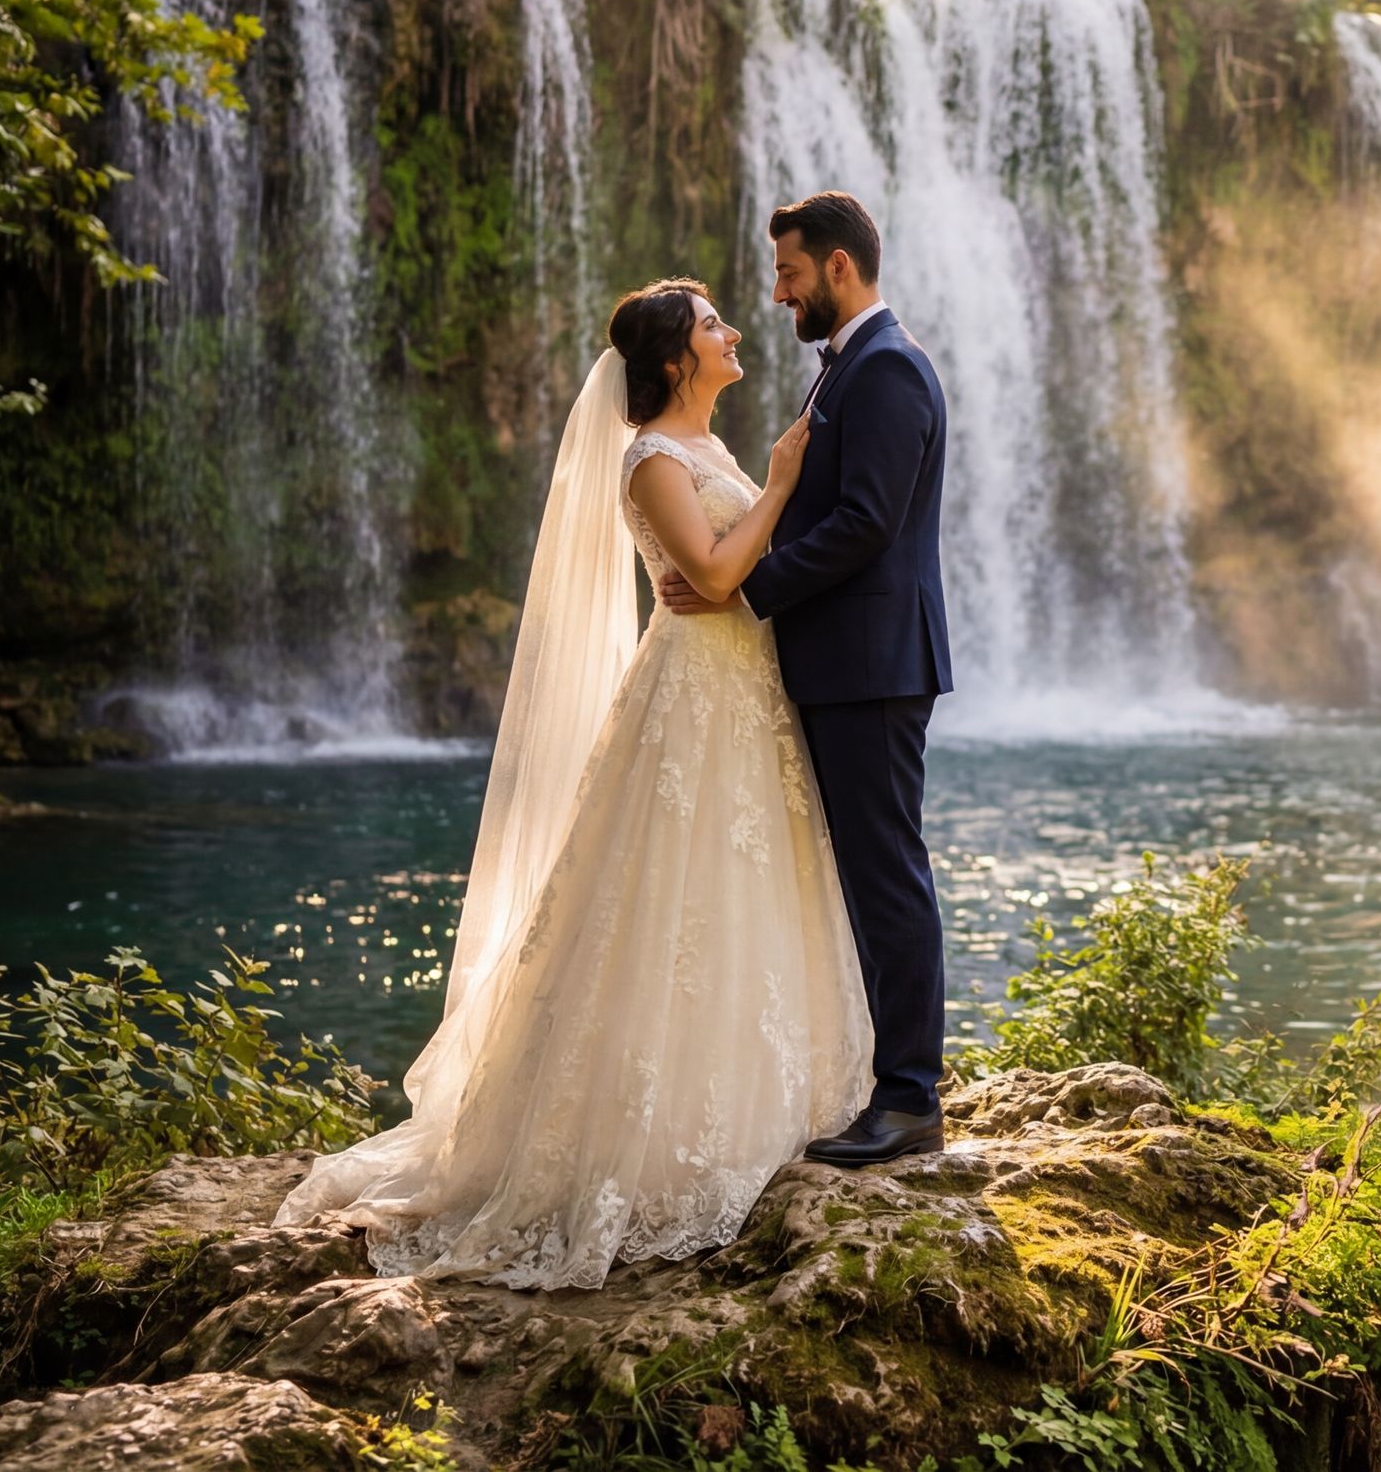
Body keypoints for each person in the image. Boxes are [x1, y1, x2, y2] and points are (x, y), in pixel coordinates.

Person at [273, 280, 871, 1288]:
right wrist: (775, 486)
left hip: (744, 693)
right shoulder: (650, 459)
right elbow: (717, 579)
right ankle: (637, 1136)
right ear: (678, 360)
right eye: (714, 326)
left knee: (740, 891)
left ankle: (748, 1100)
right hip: (689, 698)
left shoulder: (710, 448)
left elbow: (732, 571)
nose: (733, 333)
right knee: (664, 903)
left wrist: (761, 496)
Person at [656, 191, 953, 1166]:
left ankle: (910, 1100)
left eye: (788, 273)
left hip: (873, 667)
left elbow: (868, 521)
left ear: (837, 266)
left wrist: (752, 589)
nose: (777, 294)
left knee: (886, 875)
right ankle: (880, 1083)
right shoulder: (847, 372)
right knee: (860, 878)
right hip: (844, 666)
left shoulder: (889, 370)